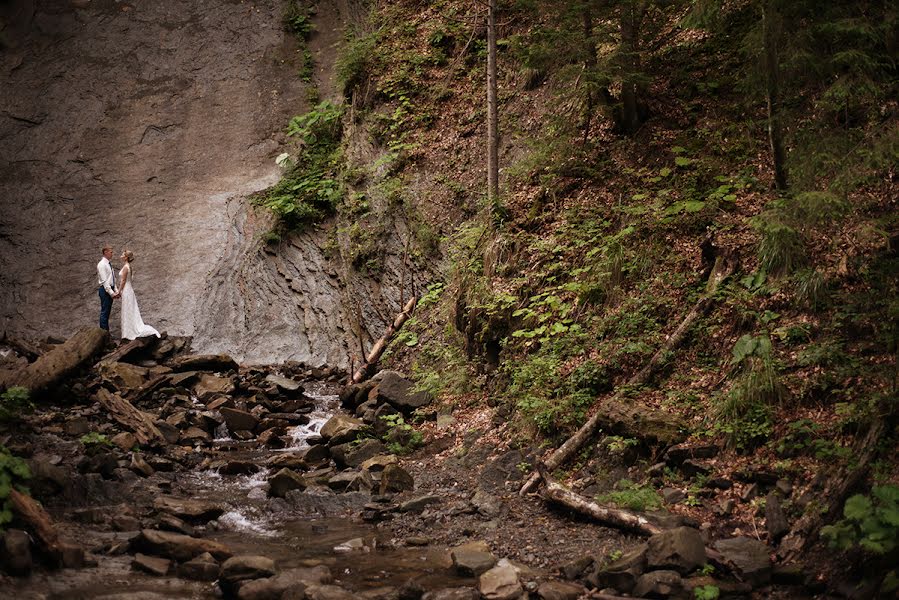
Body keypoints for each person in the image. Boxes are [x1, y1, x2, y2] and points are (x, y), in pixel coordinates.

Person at [117, 250, 160, 340]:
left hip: (126, 290)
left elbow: (123, 281)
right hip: (129, 289)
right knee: (130, 309)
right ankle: (128, 331)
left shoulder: (126, 267)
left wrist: (119, 291)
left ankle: (129, 332)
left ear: (126, 257)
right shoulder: (129, 267)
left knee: (128, 309)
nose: (121, 256)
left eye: (122, 255)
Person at [96, 244, 118, 331]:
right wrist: (112, 293)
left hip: (109, 289)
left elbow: (112, 279)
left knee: (107, 312)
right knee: (105, 312)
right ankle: (104, 333)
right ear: (105, 252)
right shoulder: (101, 264)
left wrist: (115, 290)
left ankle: (106, 333)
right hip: (105, 291)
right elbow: (105, 281)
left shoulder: (108, 264)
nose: (112, 254)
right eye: (111, 252)